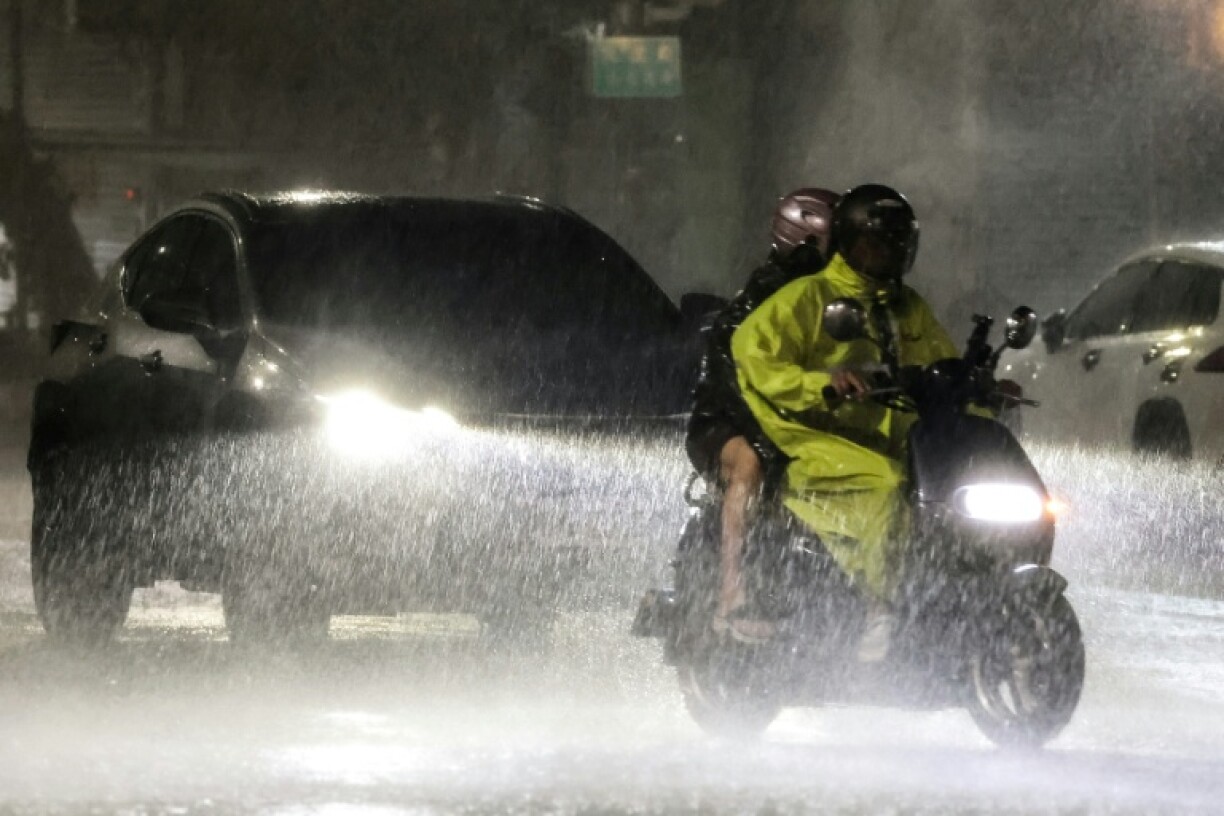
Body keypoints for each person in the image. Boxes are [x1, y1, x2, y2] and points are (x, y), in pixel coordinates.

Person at [730, 183, 960, 661]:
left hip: (886, 430)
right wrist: (821, 385)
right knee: (886, 484)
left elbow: (941, 360)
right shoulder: (810, 297)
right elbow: (753, 353)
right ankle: (881, 609)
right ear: (847, 244)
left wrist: (978, 390)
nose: (884, 253)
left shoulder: (908, 305)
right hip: (817, 432)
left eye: (895, 243)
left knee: (952, 487)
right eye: (873, 243)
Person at [684, 188, 840, 644]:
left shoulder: (831, 295)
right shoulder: (765, 293)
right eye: (836, 241)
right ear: (807, 237)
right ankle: (734, 594)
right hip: (726, 421)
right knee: (750, 464)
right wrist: (769, 425)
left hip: (789, 416)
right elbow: (734, 374)